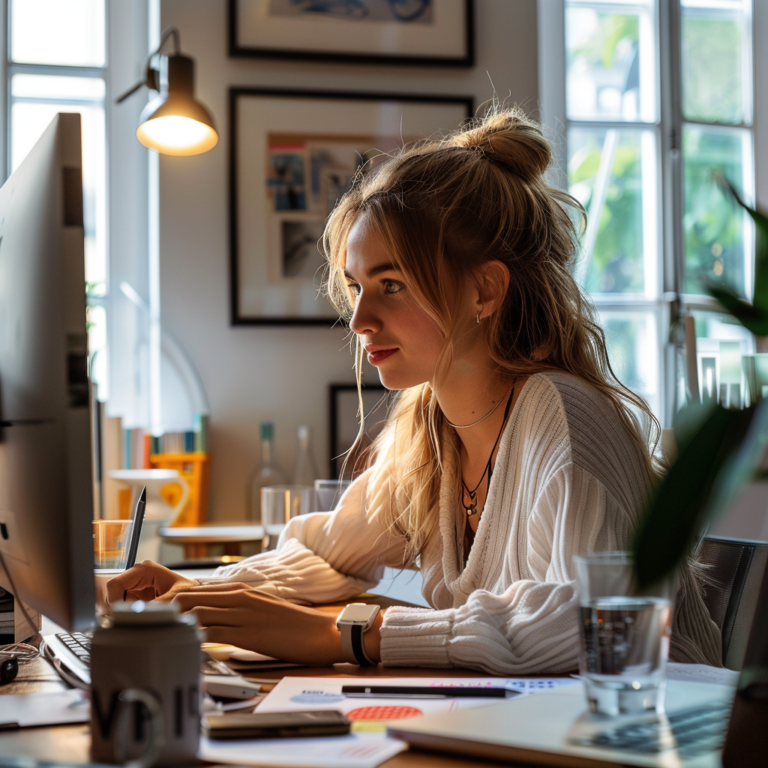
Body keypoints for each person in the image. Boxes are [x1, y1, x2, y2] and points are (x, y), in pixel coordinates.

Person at [108, 106, 722, 672]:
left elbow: (586, 621)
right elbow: (329, 555)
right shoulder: (433, 426)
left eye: (392, 285)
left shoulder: (558, 414)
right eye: (355, 287)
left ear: (485, 291)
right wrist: (199, 592)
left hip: (653, 737)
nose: (359, 320)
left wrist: (344, 635)